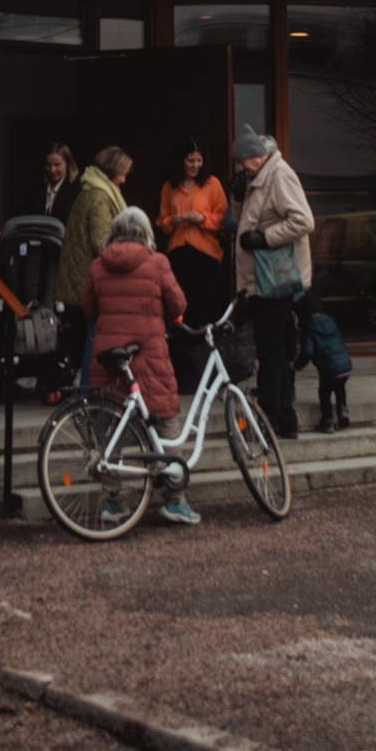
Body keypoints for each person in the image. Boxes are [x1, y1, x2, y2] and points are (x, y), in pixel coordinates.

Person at [82, 206, 197, 527]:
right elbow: (178, 305)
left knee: (111, 431)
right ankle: (175, 500)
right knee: (167, 427)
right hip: (150, 359)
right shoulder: (157, 262)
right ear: (146, 232)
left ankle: (111, 502)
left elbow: (89, 310)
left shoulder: (97, 266)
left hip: (108, 358)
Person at [232, 124, 314, 441]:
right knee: (275, 350)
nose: (241, 168)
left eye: (242, 162)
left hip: (272, 281)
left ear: (255, 155)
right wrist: (238, 198)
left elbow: (303, 220)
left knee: (269, 352)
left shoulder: (279, 175)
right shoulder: (260, 178)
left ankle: (270, 422)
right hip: (263, 280)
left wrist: (265, 238)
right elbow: (244, 222)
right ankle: (283, 419)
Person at [54, 144, 132, 380]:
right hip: (89, 280)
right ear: (112, 171)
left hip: (81, 277)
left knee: (88, 336)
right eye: (123, 173)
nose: (124, 180)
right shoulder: (100, 197)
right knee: (92, 336)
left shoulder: (90, 190)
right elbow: (102, 243)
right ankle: (87, 390)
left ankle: (86, 388)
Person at [157, 136, 228, 390]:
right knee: (180, 315)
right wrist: (173, 221)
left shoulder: (212, 184)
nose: (196, 165)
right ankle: (184, 377)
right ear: (181, 161)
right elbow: (161, 221)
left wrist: (202, 218)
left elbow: (224, 218)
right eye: (190, 161)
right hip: (178, 256)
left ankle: (211, 376)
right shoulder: (170, 186)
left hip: (206, 257)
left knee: (207, 315)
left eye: (199, 160)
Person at [294, 287, 353, 432]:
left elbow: (307, 352)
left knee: (324, 394)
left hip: (329, 369)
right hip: (345, 366)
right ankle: (342, 410)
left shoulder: (308, 329)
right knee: (340, 388)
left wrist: (297, 365)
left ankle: (327, 421)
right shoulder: (330, 322)